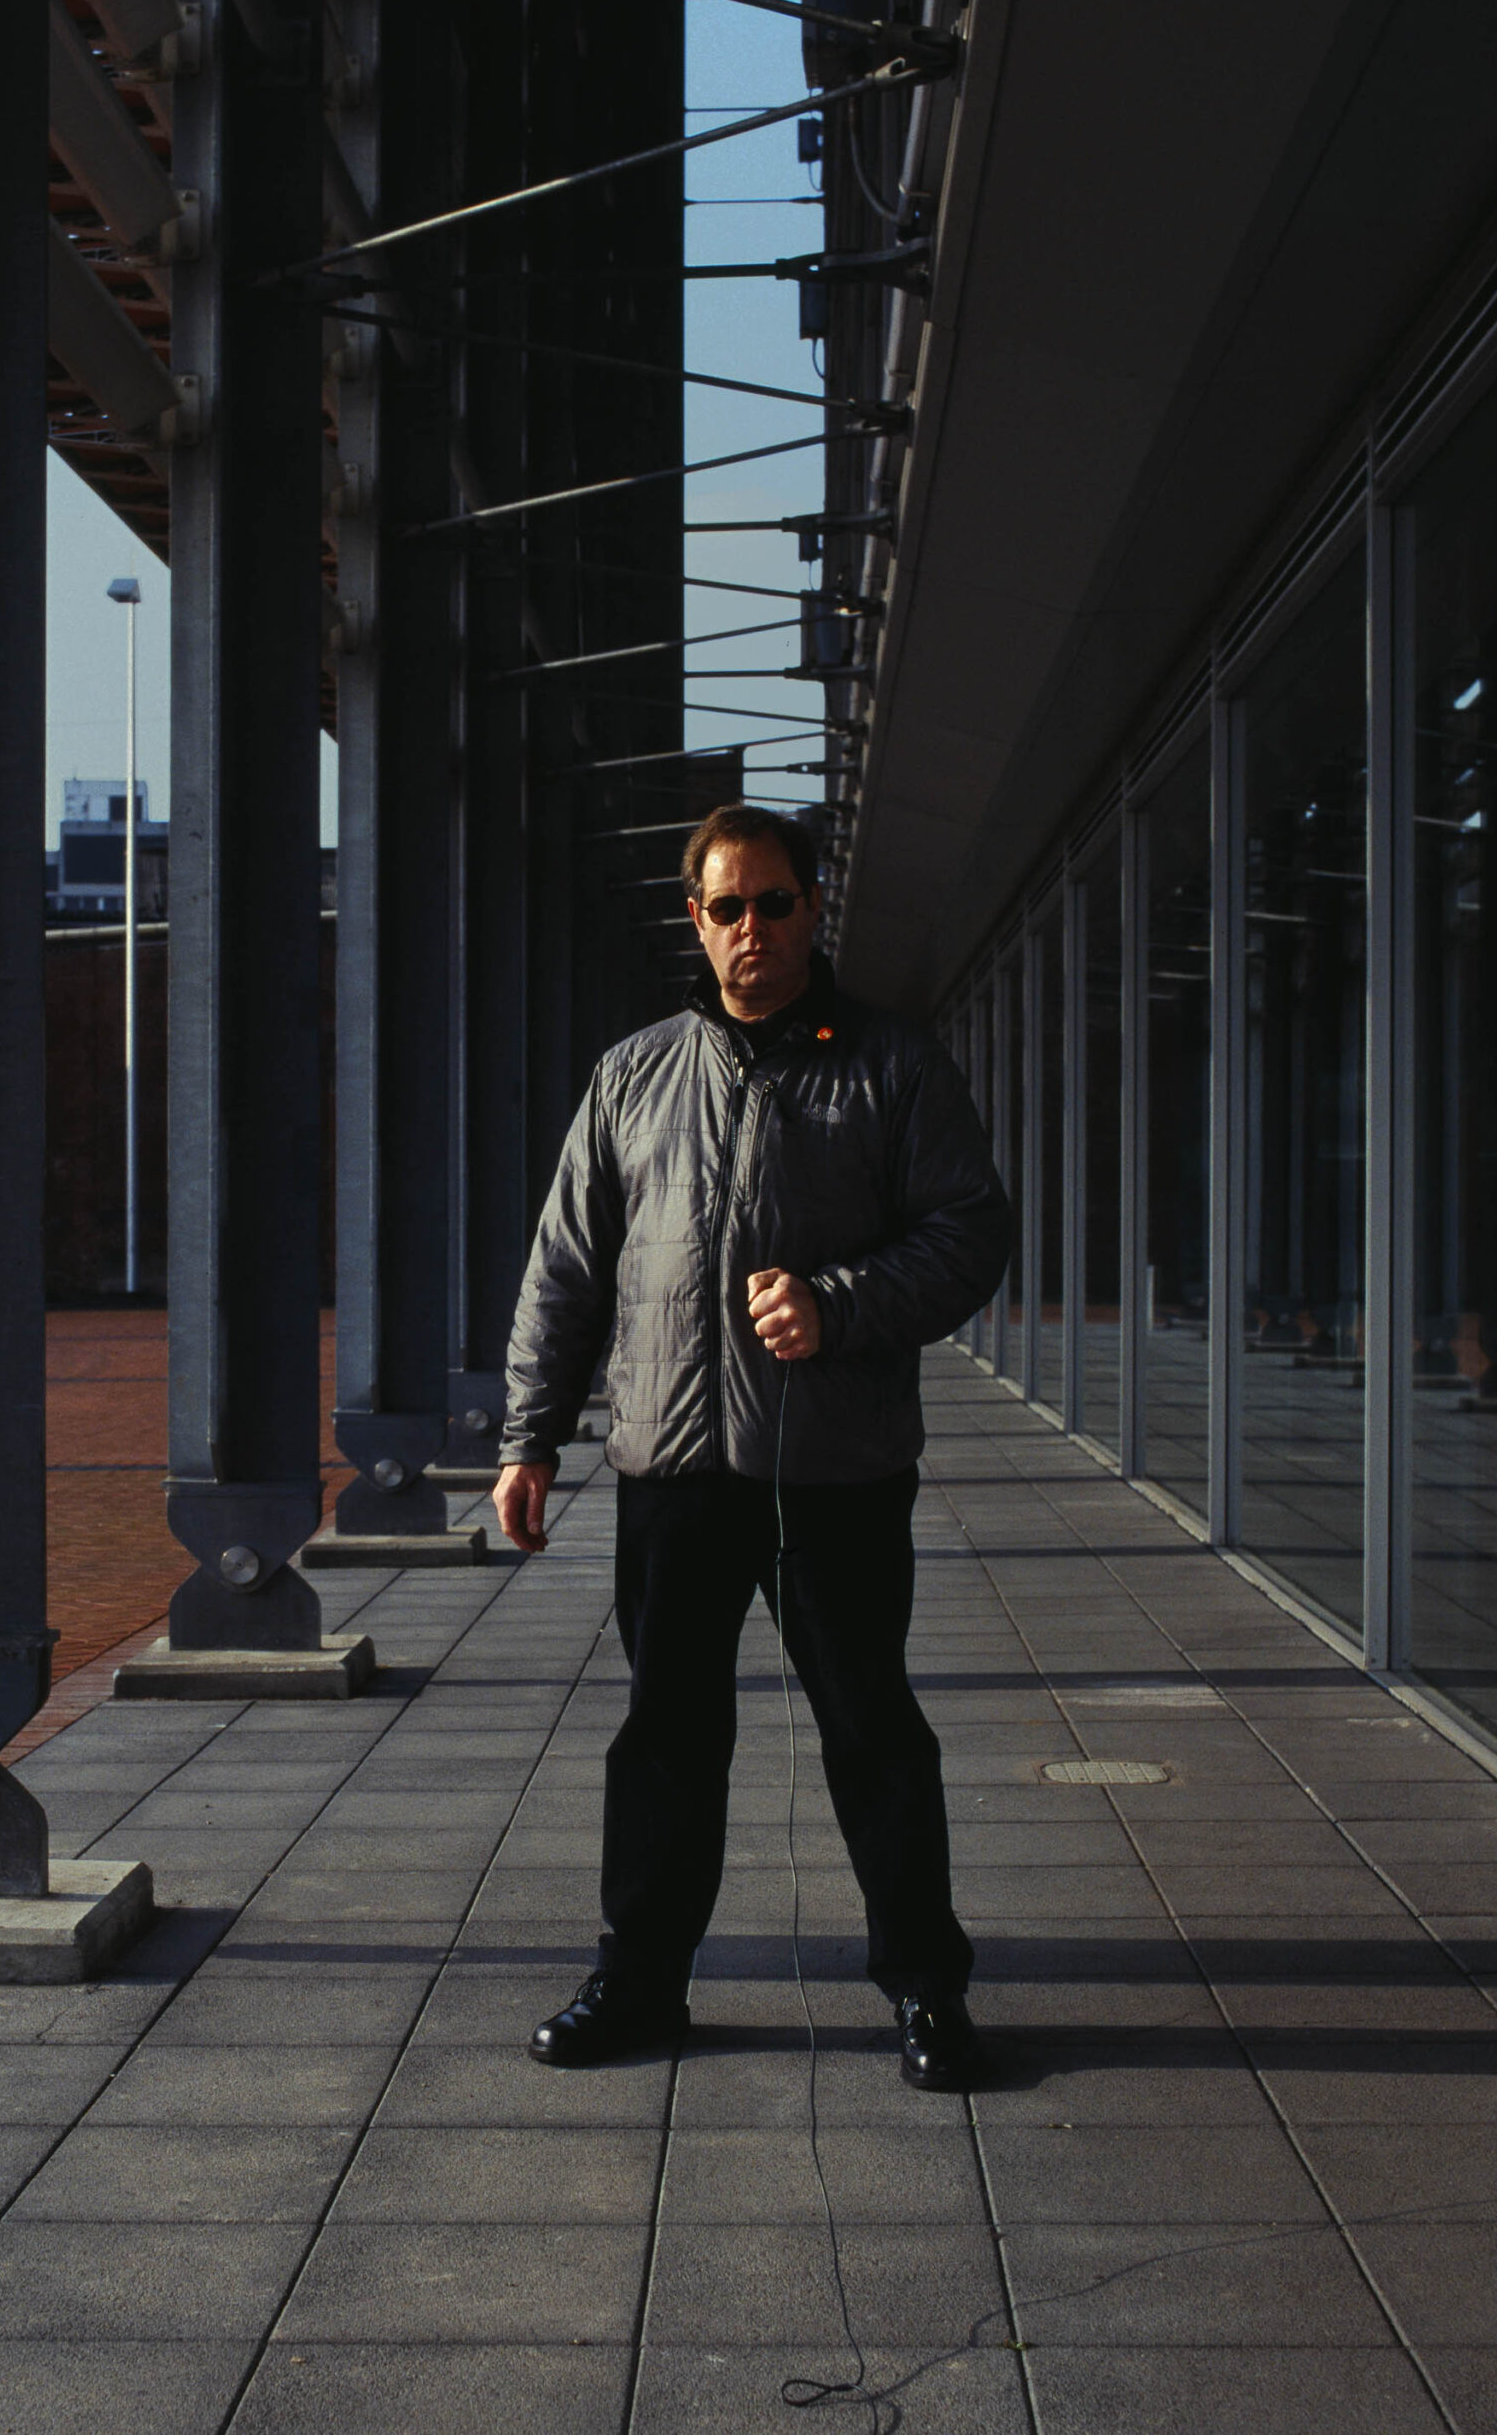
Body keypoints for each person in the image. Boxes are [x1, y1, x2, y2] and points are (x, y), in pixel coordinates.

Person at [492, 802, 1013, 2089]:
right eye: (726, 907)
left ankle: (927, 1985)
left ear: (810, 907)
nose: (751, 930)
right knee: (666, 1731)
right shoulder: (634, 1075)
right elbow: (566, 1269)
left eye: (773, 903)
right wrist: (529, 1438)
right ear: (697, 920)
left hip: (832, 1470)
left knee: (871, 1727)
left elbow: (970, 1233)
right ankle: (642, 1978)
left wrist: (840, 1304)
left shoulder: (888, 1064)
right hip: (672, 1471)